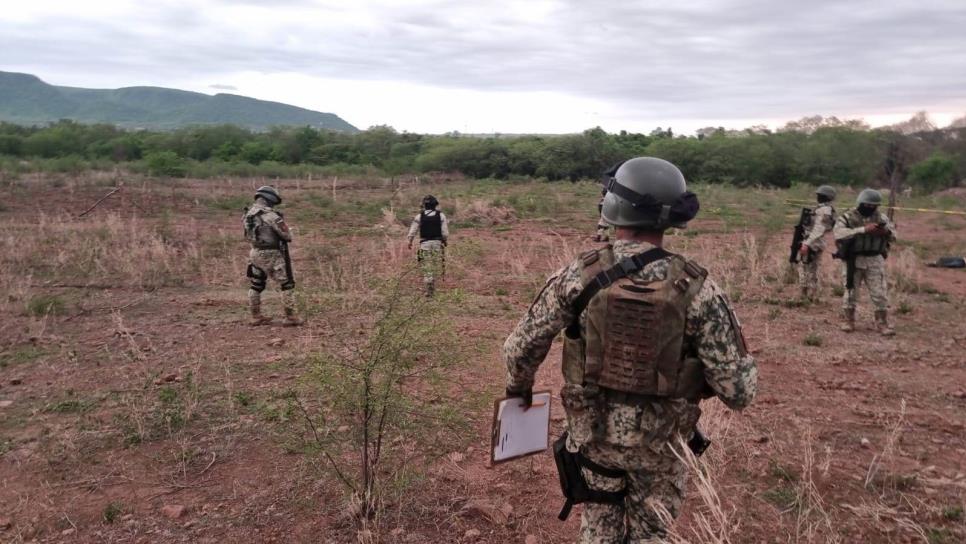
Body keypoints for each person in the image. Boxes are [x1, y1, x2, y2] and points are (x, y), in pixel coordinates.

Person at [503, 157, 758, 543]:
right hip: (663, 447)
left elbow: (521, 348)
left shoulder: (579, 274)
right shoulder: (699, 289)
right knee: (652, 533)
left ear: (612, 206)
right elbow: (739, 393)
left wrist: (518, 390)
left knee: (598, 527)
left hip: (595, 438)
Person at [833, 188, 897, 336]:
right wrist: (863, 230)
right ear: (860, 203)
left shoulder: (881, 218)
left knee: (879, 292)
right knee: (850, 291)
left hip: (875, 259)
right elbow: (839, 233)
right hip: (853, 259)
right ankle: (848, 320)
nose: (870, 208)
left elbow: (894, 235)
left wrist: (885, 232)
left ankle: (882, 323)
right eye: (867, 205)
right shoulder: (847, 217)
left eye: (873, 205)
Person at [243, 186, 303, 326]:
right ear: (269, 199)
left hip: (254, 252)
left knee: (256, 284)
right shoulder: (271, 216)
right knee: (287, 284)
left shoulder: (248, 214)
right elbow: (287, 236)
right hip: (272, 253)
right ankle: (291, 317)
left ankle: (256, 316)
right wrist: (290, 230)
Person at [797, 185, 837, 302]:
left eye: (820, 196)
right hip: (817, 242)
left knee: (805, 267)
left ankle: (805, 294)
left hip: (812, 243)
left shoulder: (824, 210)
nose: (818, 197)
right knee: (813, 268)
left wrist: (806, 243)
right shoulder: (824, 209)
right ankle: (813, 295)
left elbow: (819, 229)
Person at [407, 195, 449, 297]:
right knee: (434, 265)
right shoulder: (441, 216)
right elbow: (444, 233)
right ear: (435, 205)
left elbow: (412, 231)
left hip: (424, 244)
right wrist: (445, 241)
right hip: (437, 244)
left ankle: (429, 290)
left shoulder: (419, 216)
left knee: (427, 265)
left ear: (424, 205)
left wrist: (410, 241)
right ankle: (431, 289)